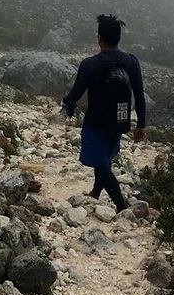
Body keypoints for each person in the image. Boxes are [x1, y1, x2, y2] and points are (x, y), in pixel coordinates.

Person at [60, 14, 146, 213]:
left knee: (101, 165)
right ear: (119, 38)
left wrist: (67, 105)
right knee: (104, 159)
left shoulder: (90, 64)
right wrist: (141, 124)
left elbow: (76, 94)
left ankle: (121, 207)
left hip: (96, 122)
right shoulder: (131, 61)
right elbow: (139, 95)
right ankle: (96, 193)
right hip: (120, 120)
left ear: (99, 38)